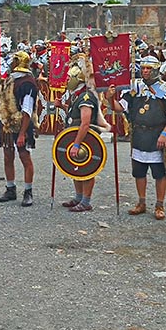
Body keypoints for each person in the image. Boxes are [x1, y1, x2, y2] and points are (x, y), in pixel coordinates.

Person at [106, 56, 166, 220]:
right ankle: (141, 202)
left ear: (155, 70)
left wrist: (165, 134)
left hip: (157, 135)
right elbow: (119, 108)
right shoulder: (134, 88)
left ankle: (160, 205)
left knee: (159, 173)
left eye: (149, 68)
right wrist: (110, 97)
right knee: (139, 172)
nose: (145, 71)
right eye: (144, 68)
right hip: (139, 135)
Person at [0, 49, 38, 206]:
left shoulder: (27, 83)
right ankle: (10, 189)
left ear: (19, 62)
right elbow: (1, 100)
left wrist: (22, 134)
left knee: (25, 157)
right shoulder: (10, 80)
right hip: (7, 124)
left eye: (14, 60)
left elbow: (27, 110)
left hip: (21, 125)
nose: (11, 63)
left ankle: (28, 191)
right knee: (7, 156)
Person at [58, 53, 108, 213]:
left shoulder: (86, 96)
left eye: (68, 78)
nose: (67, 81)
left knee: (87, 167)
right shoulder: (77, 96)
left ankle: (86, 201)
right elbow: (76, 117)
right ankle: (78, 197)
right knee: (74, 166)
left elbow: (85, 122)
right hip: (76, 136)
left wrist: (77, 143)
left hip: (86, 139)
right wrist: (63, 108)